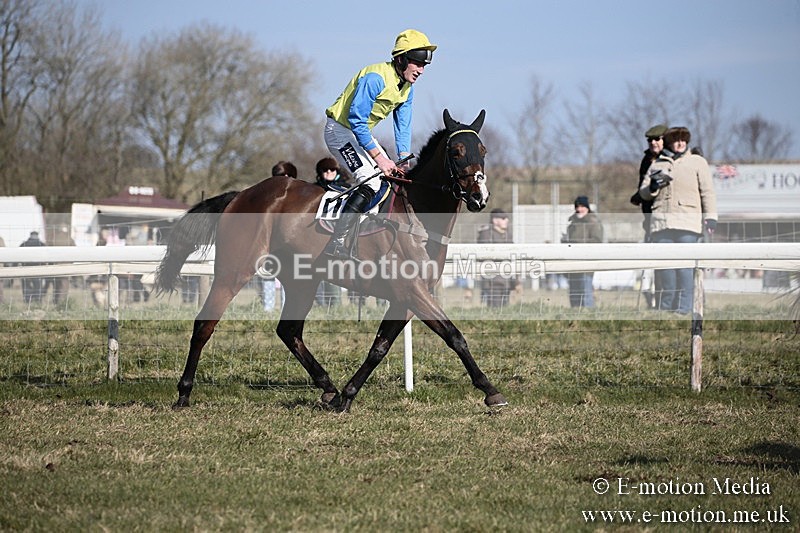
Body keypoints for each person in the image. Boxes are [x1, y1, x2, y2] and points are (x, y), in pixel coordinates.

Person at [322, 29, 436, 259]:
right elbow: (356, 120)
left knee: (389, 179)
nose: (421, 70)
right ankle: (337, 242)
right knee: (370, 181)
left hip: (359, 133)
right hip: (340, 131)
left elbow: (403, 126)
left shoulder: (407, 88)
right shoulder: (375, 78)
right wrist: (380, 158)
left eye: (424, 65)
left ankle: (363, 230)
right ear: (401, 59)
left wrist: (402, 159)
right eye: (417, 63)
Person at [639, 126, 717, 315]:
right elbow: (643, 192)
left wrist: (710, 217)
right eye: (676, 140)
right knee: (666, 268)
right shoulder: (657, 164)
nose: (680, 143)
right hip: (661, 223)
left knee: (685, 268)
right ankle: (666, 307)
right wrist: (653, 187)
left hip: (687, 223)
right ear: (670, 143)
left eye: (683, 140)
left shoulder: (697, 162)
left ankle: (684, 308)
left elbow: (707, 192)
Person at [630, 124, 668, 309]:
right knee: (654, 264)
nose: (653, 143)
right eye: (650, 140)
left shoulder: (670, 160)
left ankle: (667, 303)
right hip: (650, 219)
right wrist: (638, 196)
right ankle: (657, 303)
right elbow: (643, 186)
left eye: (657, 139)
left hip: (668, 219)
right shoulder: (646, 160)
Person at [563, 196, 604, 308]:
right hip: (572, 263)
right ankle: (575, 313)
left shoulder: (593, 222)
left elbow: (597, 241)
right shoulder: (572, 224)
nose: (579, 209)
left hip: (587, 263)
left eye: (582, 206)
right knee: (574, 292)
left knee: (586, 290)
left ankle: (588, 313)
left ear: (587, 208)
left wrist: (578, 244)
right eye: (577, 206)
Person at [477, 208, 518, 307]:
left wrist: (515, 281)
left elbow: (513, 258)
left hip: (507, 280)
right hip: (492, 281)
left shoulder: (508, 235)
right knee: (494, 310)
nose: (507, 220)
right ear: (495, 220)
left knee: (505, 311)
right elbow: (483, 256)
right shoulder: (486, 235)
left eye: (506, 218)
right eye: (503, 218)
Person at [20, 231, 46, 304]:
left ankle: (27, 302)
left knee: (26, 287)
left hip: (25, 269)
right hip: (38, 269)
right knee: (38, 287)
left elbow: (18, 256)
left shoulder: (23, 244)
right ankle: (38, 302)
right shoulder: (42, 245)